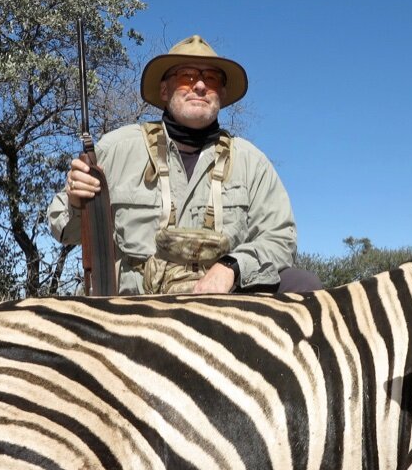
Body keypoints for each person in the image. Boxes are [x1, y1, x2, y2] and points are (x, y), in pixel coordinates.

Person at [47, 35, 321, 295]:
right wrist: (76, 202)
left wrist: (233, 267)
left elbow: (281, 239)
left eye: (211, 79)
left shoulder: (252, 161)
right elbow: (64, 230)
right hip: (136, 307)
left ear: (221, 94)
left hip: (225, 301)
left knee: (303, 284)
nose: (200, 86)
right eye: (187, 76)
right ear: (165, 90)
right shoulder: (116, 148)